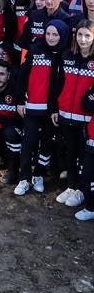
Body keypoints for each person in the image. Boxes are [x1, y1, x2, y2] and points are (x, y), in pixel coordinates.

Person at [14, 19, 67, 196]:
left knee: (45, 144)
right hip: (32, 107)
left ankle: (39, 175)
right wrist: (20, 100)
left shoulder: (66, 55)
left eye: (55, 34)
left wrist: (56, 109)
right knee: (28, 142)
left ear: (63, 36)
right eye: (48, 33)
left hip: (51, 112)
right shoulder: (36, 49)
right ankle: (24, 178)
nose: (51, 37)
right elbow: (22, 76)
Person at [54, 20, 94, 209]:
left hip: (85, 118)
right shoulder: (67, 55)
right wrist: (55, 108)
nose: (83, 39)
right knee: (69, 153)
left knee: (82, 155)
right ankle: (71, 186)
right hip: (65, 113)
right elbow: (59, 83)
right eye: (80, 35)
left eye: (87, 35)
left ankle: (80, 190)